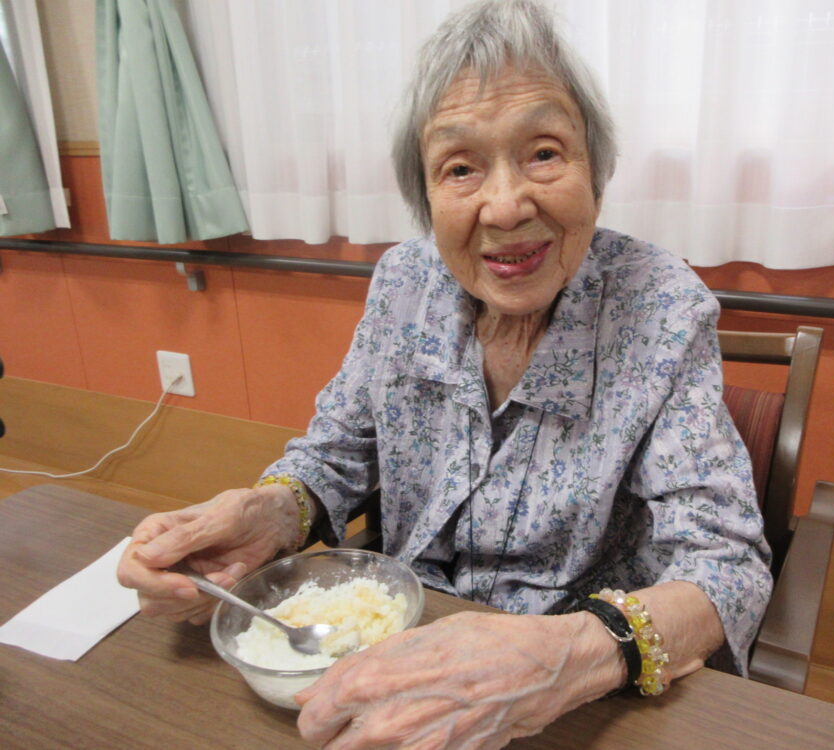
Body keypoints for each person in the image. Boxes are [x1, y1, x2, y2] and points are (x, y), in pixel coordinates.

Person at [117, 1, 772, 747]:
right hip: (384, 658)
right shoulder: (404, 282)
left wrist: (576, 654)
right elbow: (334, 455)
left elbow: (728, 568)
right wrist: (266, 516)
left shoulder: (660, 305)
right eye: (460, 168)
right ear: (426, 198)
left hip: (570, 692)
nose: (503, 205)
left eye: (545, 152)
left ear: (597, 169)